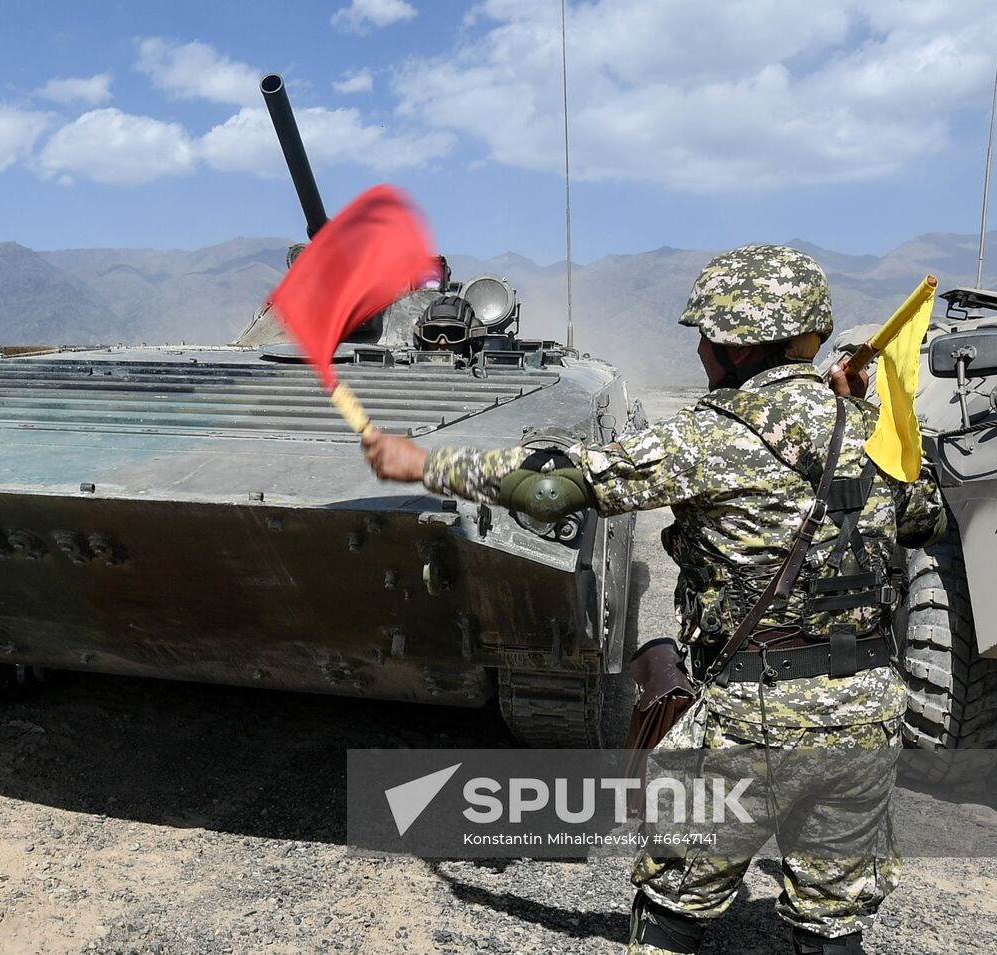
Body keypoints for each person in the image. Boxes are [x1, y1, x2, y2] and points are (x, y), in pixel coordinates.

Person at [361, 245, 945, 955]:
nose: (699, 347)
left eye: (708, 335)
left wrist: (426, 462)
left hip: (754, 718)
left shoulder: (712, 437)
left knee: (675, 899)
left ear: (742, 346)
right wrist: (852, 408)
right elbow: (923, 516)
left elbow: (553, 487)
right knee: (832, 920)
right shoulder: (876, 432)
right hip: (863, 715)